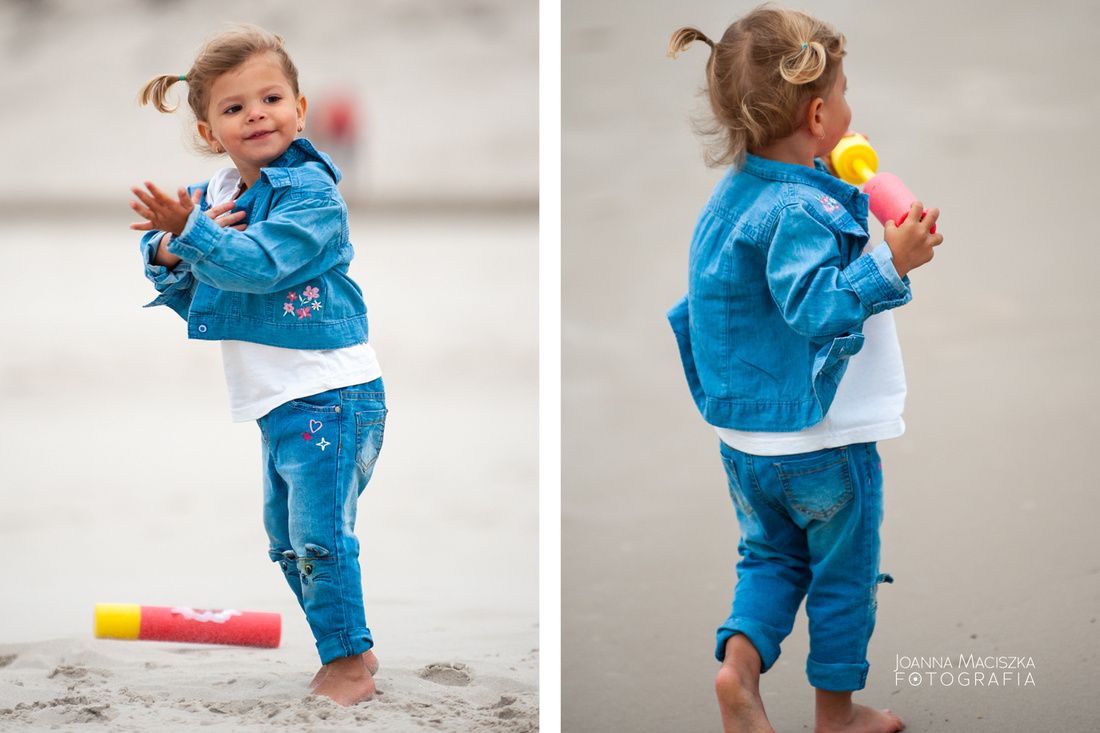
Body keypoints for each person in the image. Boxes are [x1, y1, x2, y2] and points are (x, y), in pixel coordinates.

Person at [666, 5, 942, 732]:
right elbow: (818, 308)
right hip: (823, 441)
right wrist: (893, 259)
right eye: (846, 94)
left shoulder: (731, 200)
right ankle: (837, 714)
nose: (853, 110)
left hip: (748, 440)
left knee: (769, 558)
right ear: (819, 114)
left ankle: (740, 668)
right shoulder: (799, 212)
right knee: (842, 575)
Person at [129, 24, 385, 707]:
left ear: (301, 109)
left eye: (272, 97)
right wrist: (172, 248)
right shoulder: (212, 194)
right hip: (275, 400)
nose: (257, 115)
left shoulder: (310, 195)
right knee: (286, 541)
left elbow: (262, 266)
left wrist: (197, 234)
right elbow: (186, 273)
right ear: (211, 130)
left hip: (333, 392)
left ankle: (349, 660)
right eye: (234, 107)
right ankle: (346, 641)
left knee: (320, 535)